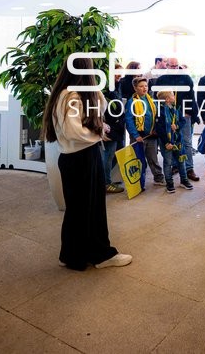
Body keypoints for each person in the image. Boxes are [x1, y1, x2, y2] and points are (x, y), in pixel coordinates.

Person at [41, 57, 132, 270]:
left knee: (81, 209)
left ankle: (75, 255)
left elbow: (102, 105)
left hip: (78, 157)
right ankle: (100, 254)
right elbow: (73, 131)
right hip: (81, 157)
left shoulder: (69, 93)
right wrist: (99, 132)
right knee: (90, 208)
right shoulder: (71, 96)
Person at [152, 56, 200, 181]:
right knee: (171, 141)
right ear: (167, 66)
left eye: (176, 66)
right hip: (167, 115)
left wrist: (190, 112)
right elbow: (156, 98)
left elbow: (191, 97)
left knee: (186, 142)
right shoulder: (161, 80)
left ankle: (189, 168)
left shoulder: (186, 78)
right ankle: (175, 165)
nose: (175, 68)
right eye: (172, 66)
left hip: (183, 115)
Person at [125, 76, 166, 187]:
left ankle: (158, 178)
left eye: (146, 86)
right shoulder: (131, 102)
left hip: (151, 135)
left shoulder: (150, 100)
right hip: (139, 136)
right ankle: (138, 183)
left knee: (153, 158)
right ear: (135, 88)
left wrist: (155, 129)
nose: (144, 88)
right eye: (141, 86)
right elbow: (129, 120)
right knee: (138, 161)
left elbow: (155, 116)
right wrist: (135, 135)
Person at [155, 90, 194, 193]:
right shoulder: (161, 111)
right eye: (172, 95)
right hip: (167, 142)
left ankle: (184, 180)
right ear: (167, 99)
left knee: (181, 161)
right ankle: (169, 182)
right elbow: (160, 129)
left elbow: (182, 121)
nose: (174, 97)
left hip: (178, 141)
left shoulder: (176, 109)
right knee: (168, 162)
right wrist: (167, 142)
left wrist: (176, 126)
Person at [101, 72, 125, 193]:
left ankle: (106, 180)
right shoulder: (105, 90)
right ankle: (106, 183)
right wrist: (102, 129)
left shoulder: (117, 86)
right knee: (109, 155)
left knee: (114, 154)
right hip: (109, 127)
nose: (119, 75)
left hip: (117, 126)